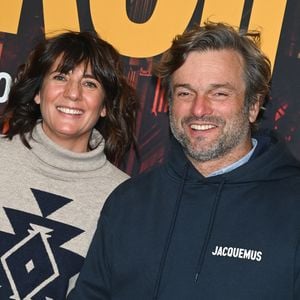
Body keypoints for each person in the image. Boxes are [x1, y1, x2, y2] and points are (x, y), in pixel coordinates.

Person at [67, 22, 300, 299]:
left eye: (219, 93)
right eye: (185, 93)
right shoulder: (129, 201)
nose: (199, 109)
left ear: (252, 105)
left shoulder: (292, 206)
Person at [0, 30, 137, 299]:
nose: (72, 93)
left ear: (105, 106)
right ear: (38, 92)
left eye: (89, 83)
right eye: (60, 77)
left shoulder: (125, 197)